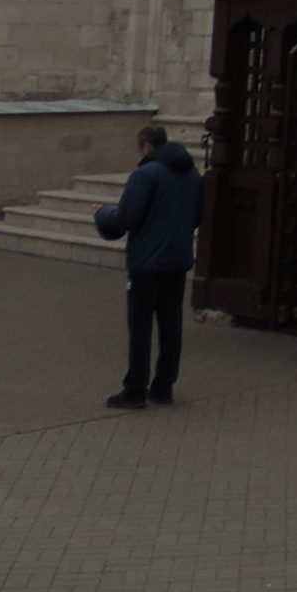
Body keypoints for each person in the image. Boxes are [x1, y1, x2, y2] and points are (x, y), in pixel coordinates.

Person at [93, 123, 204, 411]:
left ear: (145, 147)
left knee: (140, 328)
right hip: (177, 260)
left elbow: (125, 218)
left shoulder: (145, 174)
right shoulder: (192, 174)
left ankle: (134, 390)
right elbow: (197, 215)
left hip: (146, 263)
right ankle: (164, 386)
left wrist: (101, 215)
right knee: (171, 326)